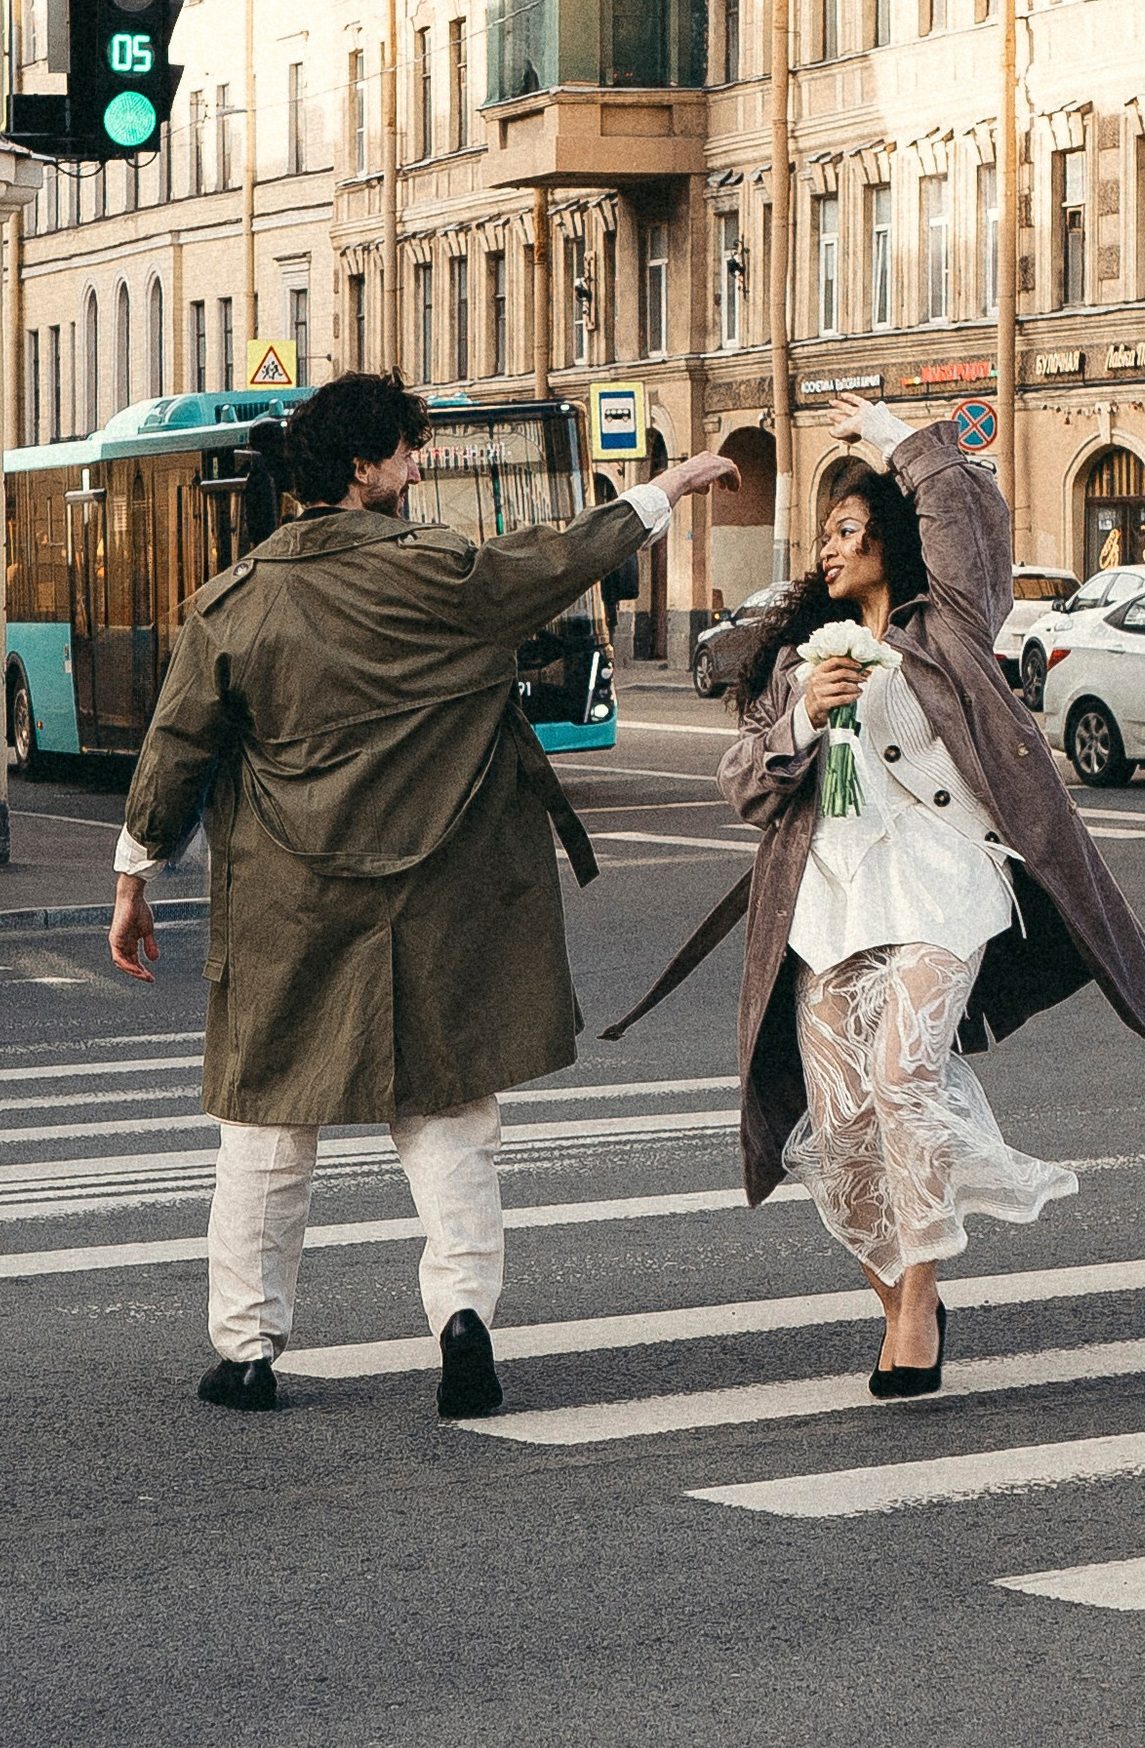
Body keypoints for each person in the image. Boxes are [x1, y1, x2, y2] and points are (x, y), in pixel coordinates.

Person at [108, 371, 738, 1418]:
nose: (417, 468)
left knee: (267, 1128)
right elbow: (555, 561)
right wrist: (664, 489)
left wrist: (133, 877)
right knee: (450, 1116)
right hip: (437, 897)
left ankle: (249, 1352)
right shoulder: (443, 572)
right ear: (362, 469)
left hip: (287, 902)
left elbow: (175, 752)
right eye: (406, 451)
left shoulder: (239, 599)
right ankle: (462, 1325)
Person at [714, 401, 1145, 1400]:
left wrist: (894, 434)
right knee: (837, 1125)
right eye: (825, 536)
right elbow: (744, 783)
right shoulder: (803, 657)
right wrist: (803, 715)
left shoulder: (950, 629)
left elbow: (966, 520)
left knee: (900, 1080)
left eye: (846, 530)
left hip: (940, 879)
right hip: (832, 894)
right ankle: (898, 1301)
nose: (829, 550)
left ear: (887, 536)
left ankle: (917, 1307)